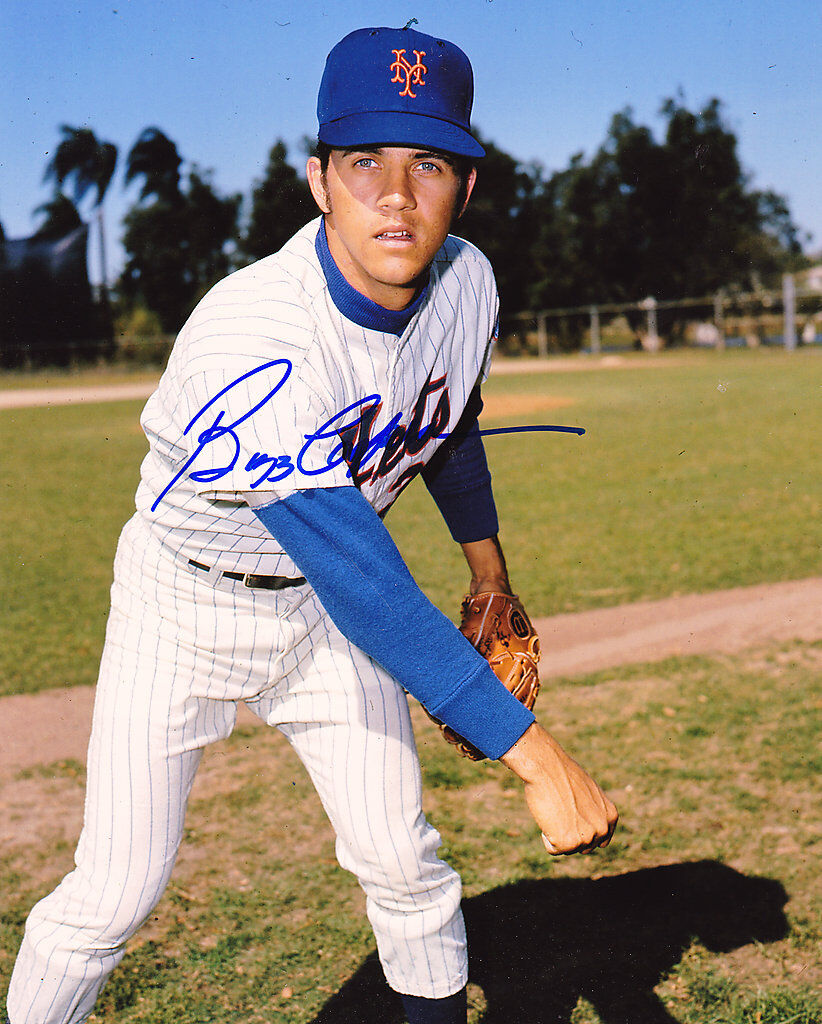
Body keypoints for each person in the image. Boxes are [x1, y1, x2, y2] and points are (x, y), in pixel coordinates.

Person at [6, 25, 617, 1024]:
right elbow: (361, 577)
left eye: (428, 163)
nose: (395, 193)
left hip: (320, 620)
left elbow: (445, 417)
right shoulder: (256, 333)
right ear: (317, 179)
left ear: (466, 187)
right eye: (363, 160)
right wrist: (536, 755)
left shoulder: (467, 283)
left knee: (405, 862)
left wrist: (488, 572)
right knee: (113, 892)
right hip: (182, 602)